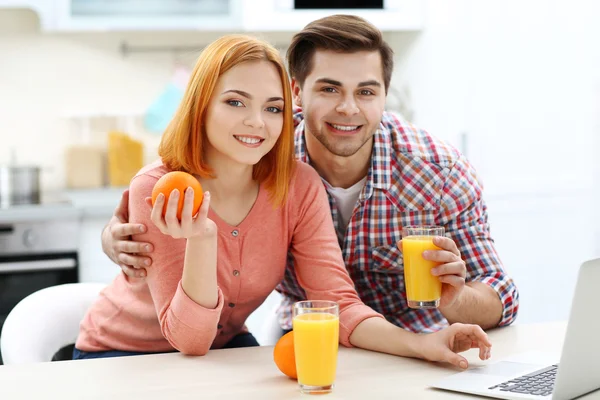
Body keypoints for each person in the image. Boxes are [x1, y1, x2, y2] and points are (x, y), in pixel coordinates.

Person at [74, 34, 492, 369]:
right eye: (235, 102)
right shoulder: (162, 187)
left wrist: (421, 345)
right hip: (122, 356)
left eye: (273, 108)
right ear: (200, 106)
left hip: (222, 350)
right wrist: (202, 238)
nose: (257, 122)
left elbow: (338, 304)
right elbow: (188, 340)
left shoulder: (297, 185)